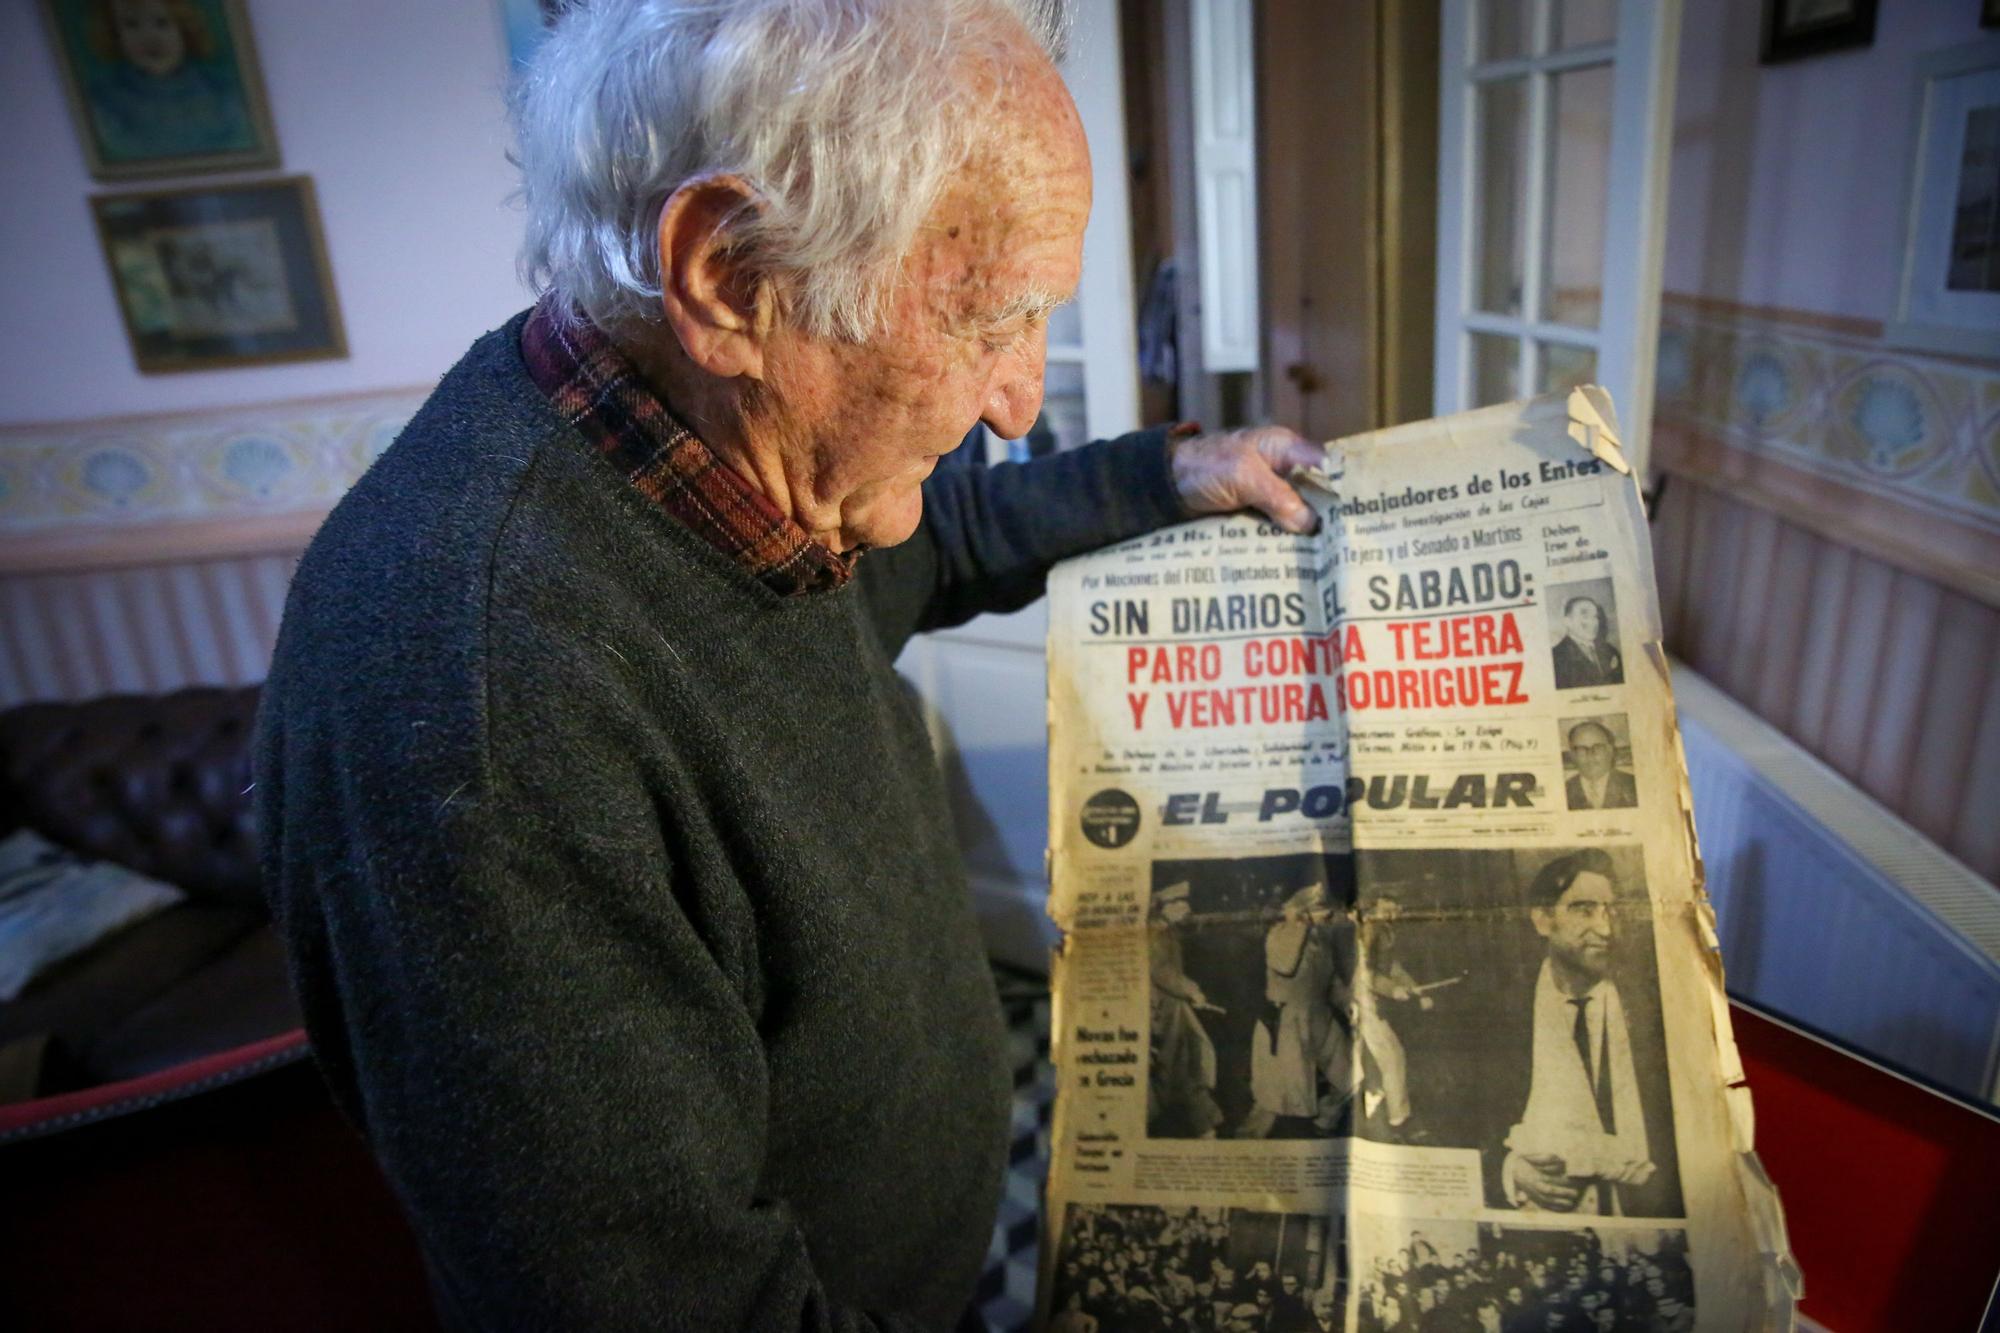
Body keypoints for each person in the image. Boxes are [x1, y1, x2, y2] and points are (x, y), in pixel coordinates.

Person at [252, 3, 1324, 1329]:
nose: (1019, 398)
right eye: (991, 317)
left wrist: (1167, 471)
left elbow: (939, 543)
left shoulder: (720, 451)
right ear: (730, 272)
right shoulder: (483, 707)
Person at [1483, 851, 1681, 1217]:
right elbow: (1466, 1126)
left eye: (1612, 911)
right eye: (1584, 910)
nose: (1606, 930)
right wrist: (1510, 1171)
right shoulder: (1500, 1012)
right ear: (1543, 920)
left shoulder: (1654, 1003)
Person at [1243, 882, 1351, 1138]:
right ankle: (1247, 1141)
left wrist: (1350, 1004)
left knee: (1350, 1077)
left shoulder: (1320, 941)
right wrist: (1297, 925)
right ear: (1305, 912)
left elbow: (1331, 981)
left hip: (1319, 1019)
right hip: (1286, 1024)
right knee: (1272, 1101)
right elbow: (1285, 964)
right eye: (1321, 911)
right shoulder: (1280, 935)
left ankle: (1324, 1124)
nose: (1328, 916)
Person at [1149, 881, 1225, 1138]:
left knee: (1187, 1065)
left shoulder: (1167, 932)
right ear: (1165, 906)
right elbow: (1162, 971)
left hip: (1174, 1008)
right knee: (1188, 1065)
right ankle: (1204, 1127)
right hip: (1166, 1011)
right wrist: (1192, 991)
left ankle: (1202, 1125)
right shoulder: (1155, 933)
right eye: (1181, 903)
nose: (1187, 909)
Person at [1550, 596, 1623, 689]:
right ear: (1567, 622)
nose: (1593, 622)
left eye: (1595, 617)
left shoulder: (1610, 651)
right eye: (1585, 617)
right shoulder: (1556, 656)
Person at [1562, 721, 1637, 811]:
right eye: (1581, 749)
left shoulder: (1633, 785)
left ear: (1610, 751)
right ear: (1572, 755)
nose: (1590, 755)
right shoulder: (1563, 789)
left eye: (1597, 747)